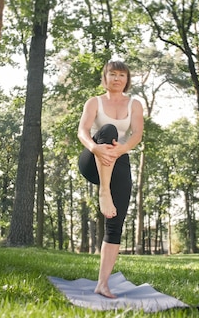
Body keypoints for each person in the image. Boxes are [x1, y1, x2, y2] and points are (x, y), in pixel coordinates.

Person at [77, 60, 144, 299]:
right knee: (108, 130)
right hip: (91, 161)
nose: (117, 78)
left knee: (116, 223)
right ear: (105, 78)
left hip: (118, 159)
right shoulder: (94, 102)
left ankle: (102, 283)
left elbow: (137, 133)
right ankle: (104, 191)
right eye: (112, 74)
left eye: (121, 75)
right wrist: (95, 148)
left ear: (127, 80)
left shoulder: (134, 104)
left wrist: (121, 149)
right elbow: (82, 131)